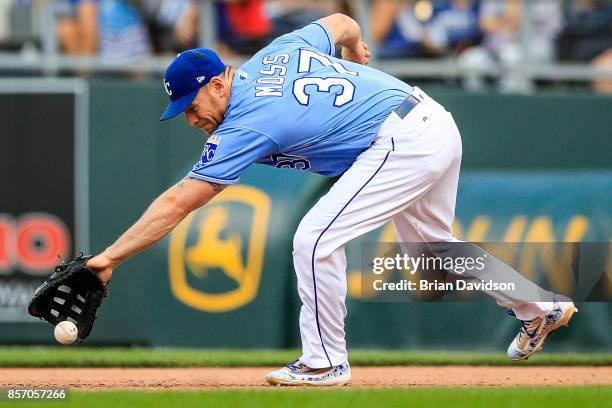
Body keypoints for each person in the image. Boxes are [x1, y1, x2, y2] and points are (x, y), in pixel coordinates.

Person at [84, 13, 577, 386]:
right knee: (432, 251)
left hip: (400, 141)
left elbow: (178, 203)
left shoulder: (248, 120)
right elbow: (341, 22)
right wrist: (358, 48)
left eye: (191, 107)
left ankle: (323, 361)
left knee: (314, 238)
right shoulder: (274, 53)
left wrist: (108, 259)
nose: (191, 120)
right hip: (432, 120)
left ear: (217, 84)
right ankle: (540, 307)